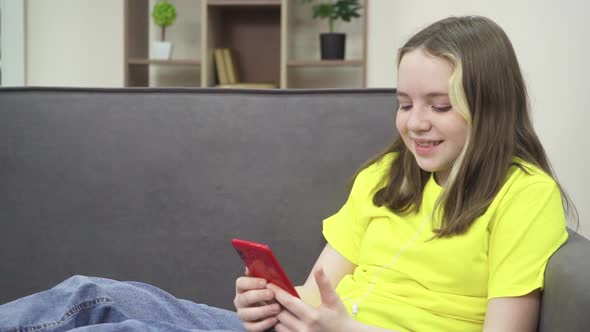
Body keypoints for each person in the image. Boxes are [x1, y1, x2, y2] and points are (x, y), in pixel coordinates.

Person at [0, 15, 575, 332]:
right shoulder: (387, 176)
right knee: (90, 295)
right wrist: (274, 306)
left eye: (439, 106)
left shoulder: (524, 195)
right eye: (404, 103)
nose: (415, 124)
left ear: (490, 104)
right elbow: (316, 291)